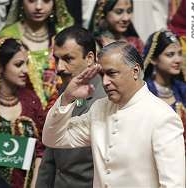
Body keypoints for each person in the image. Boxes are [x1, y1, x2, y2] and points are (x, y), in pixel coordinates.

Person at [42, 41, 185, 188]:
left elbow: (174, 184)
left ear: (135, 71)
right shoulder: (100, 108)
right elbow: (52, 139)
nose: (105, 82)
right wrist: (67, 97)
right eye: (102, 74)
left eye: (111, 73)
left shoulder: (162, 116)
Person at [36, 26, 106, 188]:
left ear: (89, 58)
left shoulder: (104, 100)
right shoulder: (65, 90)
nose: (59, 67)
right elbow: (50, 156)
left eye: (68, 59)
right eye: (57, 59)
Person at [0, 0, 74, 108]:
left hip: (63, 109)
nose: (38, 6)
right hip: (20, 109)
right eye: (31, 0)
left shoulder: (65, 35)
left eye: (46, 0)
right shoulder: (7, 37)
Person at [0, 37, 45, 188]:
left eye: (26, 63)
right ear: (0, 67)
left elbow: (41, 149)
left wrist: (35, 184)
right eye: (18, 64)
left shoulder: (31, 101)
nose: (26, 70)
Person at [143, 29, 186, 140]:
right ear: (153, 59)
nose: (178, 60)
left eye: (179, 54)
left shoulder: (184, 90)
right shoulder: (143, 92)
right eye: (170, 55)